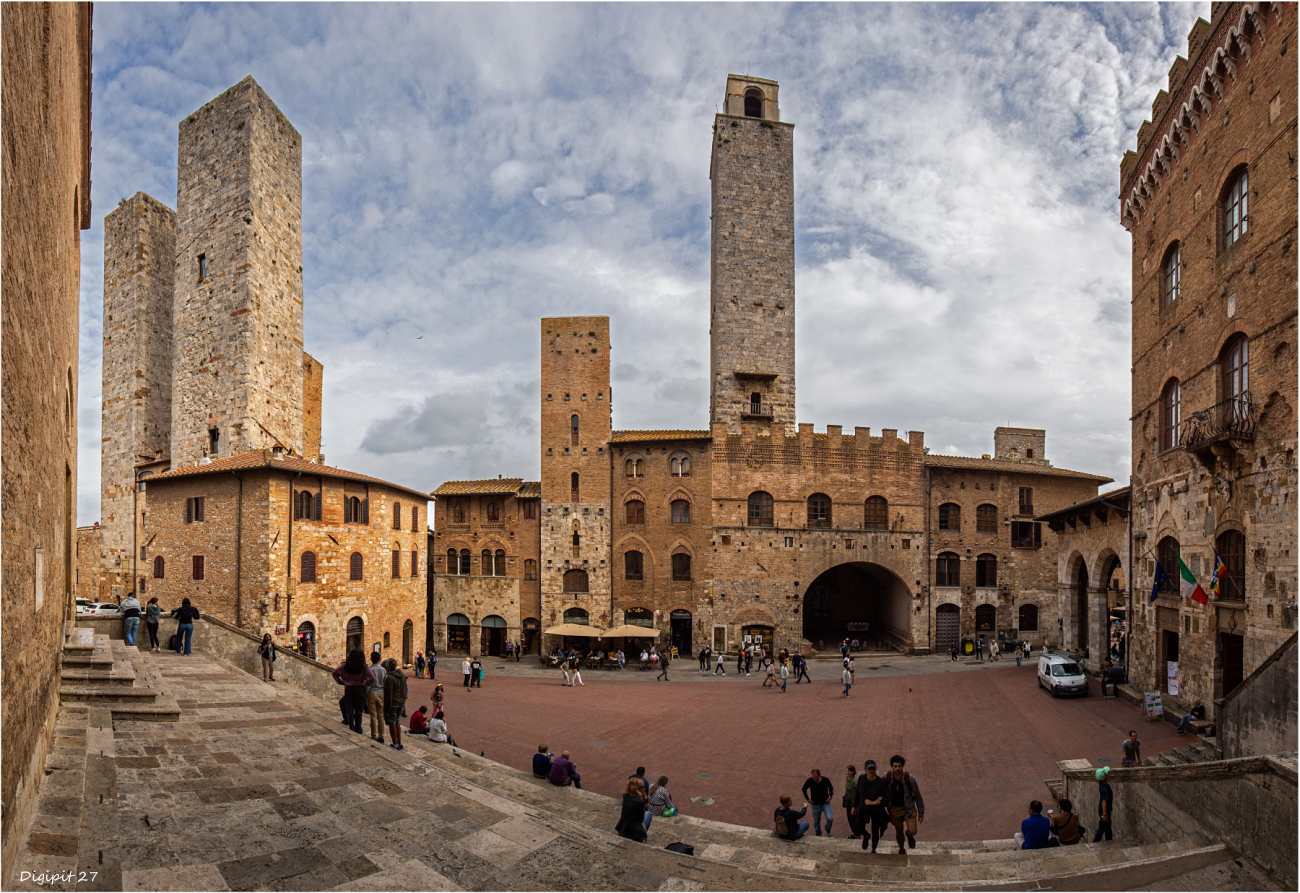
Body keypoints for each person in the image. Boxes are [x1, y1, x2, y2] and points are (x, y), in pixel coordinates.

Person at [885, 755, 924, 854]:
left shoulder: (909, 778)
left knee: (912, 830)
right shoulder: (887, 777)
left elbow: (917, 796)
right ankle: (901, 849)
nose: (897, 768)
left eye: (899, 766)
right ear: (892, 767)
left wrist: (921, 812)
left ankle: (909, 835)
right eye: (895, 766)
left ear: (902, 767)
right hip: (894, 809)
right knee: (899, 830)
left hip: (908, 808)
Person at [331, 649, 374, 734]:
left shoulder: (345, 666)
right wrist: (365, 684)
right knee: (359, 710)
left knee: (350, 709)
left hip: (349, 689)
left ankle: (351, 726)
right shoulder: (364, 667)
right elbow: (373, 678)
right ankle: (358, 728)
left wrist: (341, 682)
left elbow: (334, 673)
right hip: (360, 689)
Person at [852, 760, 890, 852]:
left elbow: (887, 798)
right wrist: (854, 806)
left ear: (875, 769)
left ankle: (873, 849)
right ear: (866, 770)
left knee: (875, 830)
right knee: (858, 827)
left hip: (876, 810)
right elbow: (858, 792)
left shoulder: (880, 782)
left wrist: (875, 803)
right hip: (863, 808)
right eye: (869, 768)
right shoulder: (861, 778)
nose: (871, 770)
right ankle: (866, 835)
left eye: (873, 768)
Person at [801, 769, 834, 836]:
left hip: (825, 803)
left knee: (830, 818)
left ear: (819, 775)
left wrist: (830, 796)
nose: (815, 780)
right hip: (815, 804)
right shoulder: (810, 781)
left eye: (816, 778)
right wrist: (807, 798)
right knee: (816, 821)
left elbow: (830, 787)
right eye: (814, 778)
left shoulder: (825, 780)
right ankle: (818, 834)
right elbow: (804, 789)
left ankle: (827, 829)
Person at [615, 778, 649, 842]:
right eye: (643, 787)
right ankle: (642, 837)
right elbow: (641, 819)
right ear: (637, 789)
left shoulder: (625, 797)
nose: (644, 789)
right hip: (634, 832)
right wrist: (644, 801)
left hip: (622, 828)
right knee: (648, 814)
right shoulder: (640, 802)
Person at [382, 658, 406, 749]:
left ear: (388, 666)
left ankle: (395, 743)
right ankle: (399, 742)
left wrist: (386, 710)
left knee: (392, 722)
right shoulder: (402, 675)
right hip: (401, 702)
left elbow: (389, 695)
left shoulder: (390, 678)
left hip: (393, 703)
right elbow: (404, 690)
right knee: (397, 722)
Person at [366, 651, 388, 742]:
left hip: (372, 692)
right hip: (381, 692)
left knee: (373, 715)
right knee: (380, 715)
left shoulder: (370, 669)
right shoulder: (383, 670)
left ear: (371, 659)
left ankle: (374, 735)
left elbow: (368, 683)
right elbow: (385, 682)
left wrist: (366, 693)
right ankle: (381, 736)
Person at [1093, 767, 1114, 841]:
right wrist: (1105, 814)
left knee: (1107, 827)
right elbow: (1104, 801)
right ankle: (1095, 842)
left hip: (1103, 809)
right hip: (1105, 810)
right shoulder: (1105, 788)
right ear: (1106, 777)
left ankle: (1109, 839)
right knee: (1102, 827)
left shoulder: (1102, 785)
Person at [843, 766, 860, 839]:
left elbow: (859, 790)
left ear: (853, 772)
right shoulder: (847, 779)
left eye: (849, 771)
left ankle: (857, 834)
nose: (847, 773)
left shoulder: (854, 781)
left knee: (853, 818)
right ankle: (854, 833)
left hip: (853, 801)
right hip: (848, 801)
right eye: (846, 771)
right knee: (849, 817)